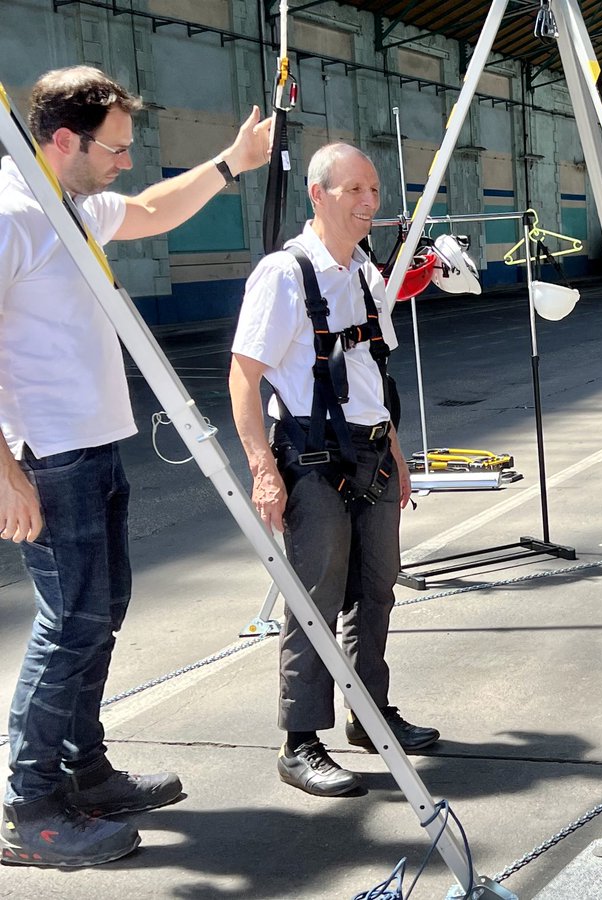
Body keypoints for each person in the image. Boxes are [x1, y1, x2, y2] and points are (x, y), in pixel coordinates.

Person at [0, 67, 272, 867]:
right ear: (63, 139)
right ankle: (30, 807)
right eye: (115, 149)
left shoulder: (72, 204)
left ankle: (83, 772)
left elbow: (153, 210)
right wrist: (5, 474)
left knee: (100, 612)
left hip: (93, 445)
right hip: (47, 455)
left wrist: (230, 162)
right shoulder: (13, 215)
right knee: (69, 623)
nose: (125, 163)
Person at [229, 143, 438, 799]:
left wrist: (396, 454)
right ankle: (300, 742)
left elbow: (373, 374)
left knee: (377, 589)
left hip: (372, 455)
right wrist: (263, 469)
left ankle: (370, 715)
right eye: (354, 190)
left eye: (374, 190)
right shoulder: (285, 274)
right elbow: (243, 377)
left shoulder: (364, 273)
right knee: (314, 601)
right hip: (314, 459)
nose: (369, 203)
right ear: (318, 195)